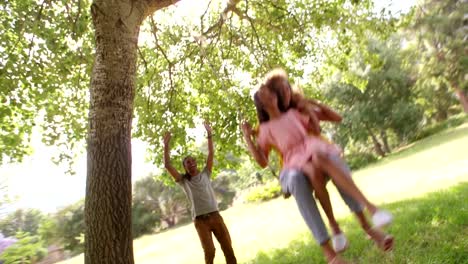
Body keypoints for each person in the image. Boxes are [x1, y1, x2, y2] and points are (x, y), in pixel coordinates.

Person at [241, 79, 392, 263]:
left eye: (271, 92)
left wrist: (309, 106)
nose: (271, 95)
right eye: (265, 94)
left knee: (321, 159)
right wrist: (248, 138)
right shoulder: (264, 129)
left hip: (312, 147)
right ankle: (335, 233)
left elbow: (316, 127)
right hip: (294, 161)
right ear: (261, 104)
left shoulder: (293, 113)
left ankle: (370, 209)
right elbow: (262, 162)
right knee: (310, 172)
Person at [163, 122, 237, 264]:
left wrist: (209, 134)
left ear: (196, 163)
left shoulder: (206, 173)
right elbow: (167, 165)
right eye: (187, 163)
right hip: (200, 221)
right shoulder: (184, 181)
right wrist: (166, 146)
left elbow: (211, 153)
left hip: (215, 216)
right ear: (184, 167)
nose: (191, 163)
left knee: (228, 248)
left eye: (192, 161)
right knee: (210, 252)